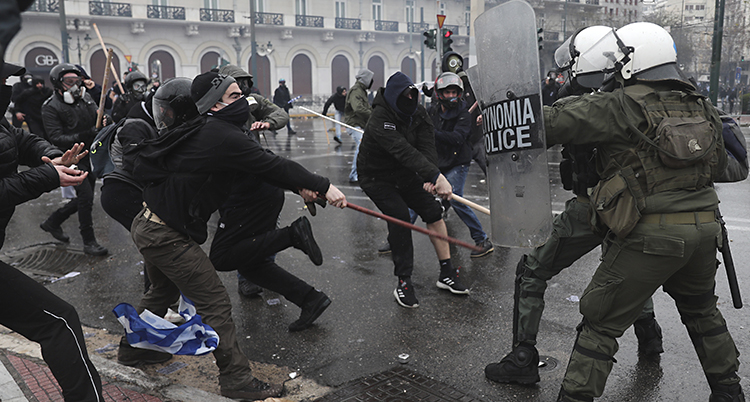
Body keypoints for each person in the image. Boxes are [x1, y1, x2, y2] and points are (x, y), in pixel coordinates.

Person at [537, 23, 743, 402]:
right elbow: (726, 167)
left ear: (635, 61)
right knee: (702, 313)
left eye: (619, 60)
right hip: (705, 232)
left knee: (600, 322)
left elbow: (549, 123)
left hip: (651, 235)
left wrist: (506, 111)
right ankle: (729, 392)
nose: (614, 68)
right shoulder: (701, 105)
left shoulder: (621, 104)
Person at [120, 71, 346, 400]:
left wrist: (302, 185)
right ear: (212, 106)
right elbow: (273, 164)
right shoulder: (220, 134)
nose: (243, 101)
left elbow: (260, 167)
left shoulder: (208, 130)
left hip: (151, 225)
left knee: (160, 293)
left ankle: (131, 349)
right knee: (215, 303)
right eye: (232, 96)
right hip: (165, 235)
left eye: (242, 94)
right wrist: (324, 186)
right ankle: (236, 378)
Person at [484, 25, 665, 387]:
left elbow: (540, 131)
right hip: (631, 207)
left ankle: (523, 357)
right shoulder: (632, 94)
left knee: (532, 270)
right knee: (626, 274)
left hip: (593, 206)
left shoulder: (595, 100)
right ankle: (650, 338)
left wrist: (504, 121)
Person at [0, 62, 104, 402]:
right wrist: (49, 177)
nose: (7, 84)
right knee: (59, 320)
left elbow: (19, 139)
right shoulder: (50, 105)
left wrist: (53, 157)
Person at [217, 64, 331, 322]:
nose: (239, 92)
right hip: (241, 183)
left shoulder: (251, 102)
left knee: (236, 250)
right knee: (251, 256)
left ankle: (292, 236)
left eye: (241, 87)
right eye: (232, 90)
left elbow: (279, 118)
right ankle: (310, 299)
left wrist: (267, 123)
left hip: (250, 184)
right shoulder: (215, 116)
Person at [357, 71, 468, 308]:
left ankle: (446, 272)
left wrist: (431, 176)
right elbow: (402, 151)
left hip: (404, 173)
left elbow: (427, 144)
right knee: (399, 217)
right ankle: (404, 280)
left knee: (432, 211)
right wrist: (435, 175)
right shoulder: (379, 118)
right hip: (376, 176)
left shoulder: (416, 110)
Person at [40, 63, 108, 256]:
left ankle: (52, 222)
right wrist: (86, 134)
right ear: (58, 84)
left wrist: (105, 120)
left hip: (89, 154)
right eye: (70, 82)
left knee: (83, 198)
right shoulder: (50, 107)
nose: (75, 86)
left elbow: (98, 114)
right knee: (86, 197)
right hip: (70, 157)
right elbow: (56, 138)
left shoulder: (86, 98)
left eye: (78, 81)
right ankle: (89, 242)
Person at [429, 71, 493, 258]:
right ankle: (395, 240)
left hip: (458, 161)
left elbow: (457, 138)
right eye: (447, 92)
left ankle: (482, 240)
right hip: (439, 160)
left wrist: (432, 133)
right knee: (418, 196)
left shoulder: (464, 114)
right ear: (440, 93)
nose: (450, 96)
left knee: (455, 198)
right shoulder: (432, 111)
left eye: (454, 92)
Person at [344, 68, 374, 183]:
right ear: (365, 79)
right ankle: (353, 175)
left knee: (368, 146)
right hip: (354, 124)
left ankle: (365, 172)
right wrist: (372, 114)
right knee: (361, 146)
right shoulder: (356, 91)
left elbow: (365, 107)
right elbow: (358, 108)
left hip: (361, 123)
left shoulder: (362, 91)